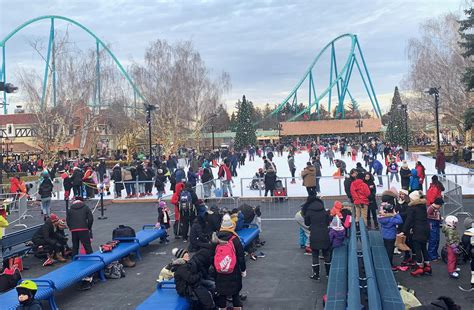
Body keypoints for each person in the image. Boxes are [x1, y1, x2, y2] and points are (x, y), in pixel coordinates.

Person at [213, 214, 246, 309]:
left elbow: (212, 256)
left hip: (219, 271)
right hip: (233, 270)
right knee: (235, 293)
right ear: (231, 226)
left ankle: (222, 308)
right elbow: (240, 257)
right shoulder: (235, 239)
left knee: (222, 294)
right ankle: (237, 307)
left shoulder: (216, 238)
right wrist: (243, 270)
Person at [402, 190, 431, 277]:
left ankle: (419, 267)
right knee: (423, 248)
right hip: (425, 229)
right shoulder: (423, 206)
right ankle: (427, 266)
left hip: (417, 230)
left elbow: (409, 220)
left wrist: (404, 231)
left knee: (417, 248)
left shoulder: (412, 208)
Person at [303, 195, 331, 280]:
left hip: (314, 234)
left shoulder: (309, 211)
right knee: (326, 254)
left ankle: (316, 274)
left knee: (315, 254)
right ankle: (328, 273)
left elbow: (307, 223)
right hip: (324, 233)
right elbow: (327, 222)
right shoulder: (324, 211)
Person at [378, 204, 403, 268]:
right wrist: (396, 214)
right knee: (390, 251)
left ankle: (386, 262)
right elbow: (400, 221)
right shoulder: (391, 219)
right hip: (391, 236)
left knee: (386, 250)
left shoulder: (382, 218)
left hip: (384, 235)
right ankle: (389, 264)